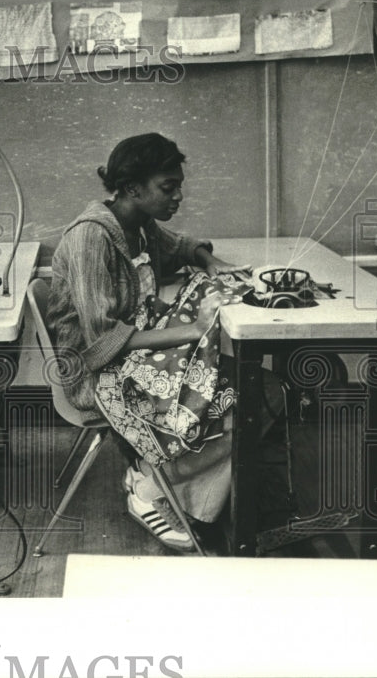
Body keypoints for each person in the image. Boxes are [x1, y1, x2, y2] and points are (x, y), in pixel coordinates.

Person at [47, 133, 279, 551]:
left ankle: (172, 489)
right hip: (96, 374)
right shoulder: (92, 238)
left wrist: (212, 263)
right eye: (168, 188)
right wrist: (193, 331)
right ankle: (152, 488)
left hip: (134, 359)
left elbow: (183, 247)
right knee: (242, 400)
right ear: (133, 188)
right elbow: (100, 342)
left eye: (178, 186)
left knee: (262, 392)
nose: (179, 197)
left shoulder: (138, 225)